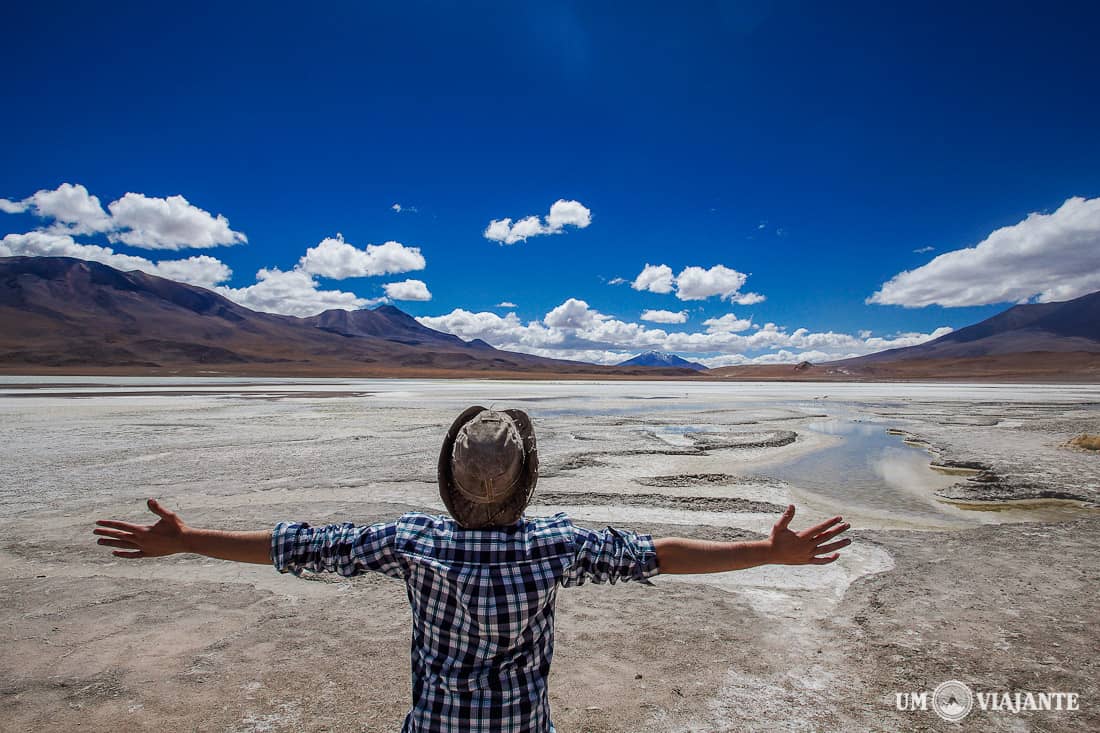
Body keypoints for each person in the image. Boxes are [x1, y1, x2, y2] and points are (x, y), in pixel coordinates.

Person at [94, 406, 850, 733]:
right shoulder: (554, 543)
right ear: (528, 481)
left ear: (447, 481)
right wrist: (768, 551)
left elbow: (297, 546)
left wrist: (189, 538)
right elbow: (658, 554)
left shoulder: (413, 541)